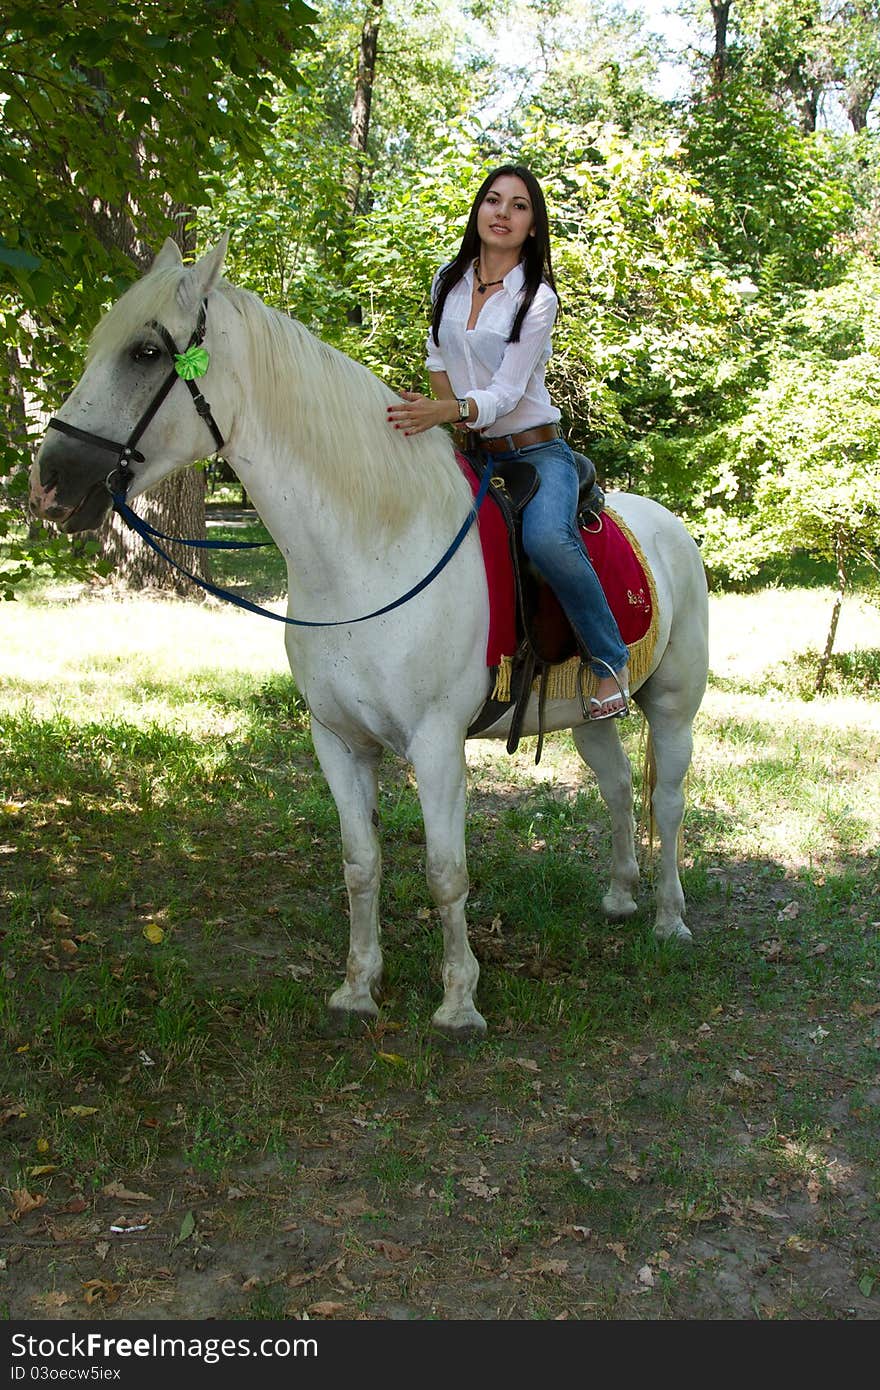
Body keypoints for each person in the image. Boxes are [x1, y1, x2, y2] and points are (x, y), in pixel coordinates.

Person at [386, 164, 630, 720]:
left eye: (519, 206)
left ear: (532, 225)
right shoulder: (448, 279)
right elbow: (438, 359)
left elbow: (506, 389)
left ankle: (609, 662)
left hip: (536, 450)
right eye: (493, 201)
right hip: (472, 448)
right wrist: (442, 416)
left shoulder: (537, 298)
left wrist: (448, 411)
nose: (502, 213)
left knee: (547, 539)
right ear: (478, 211)